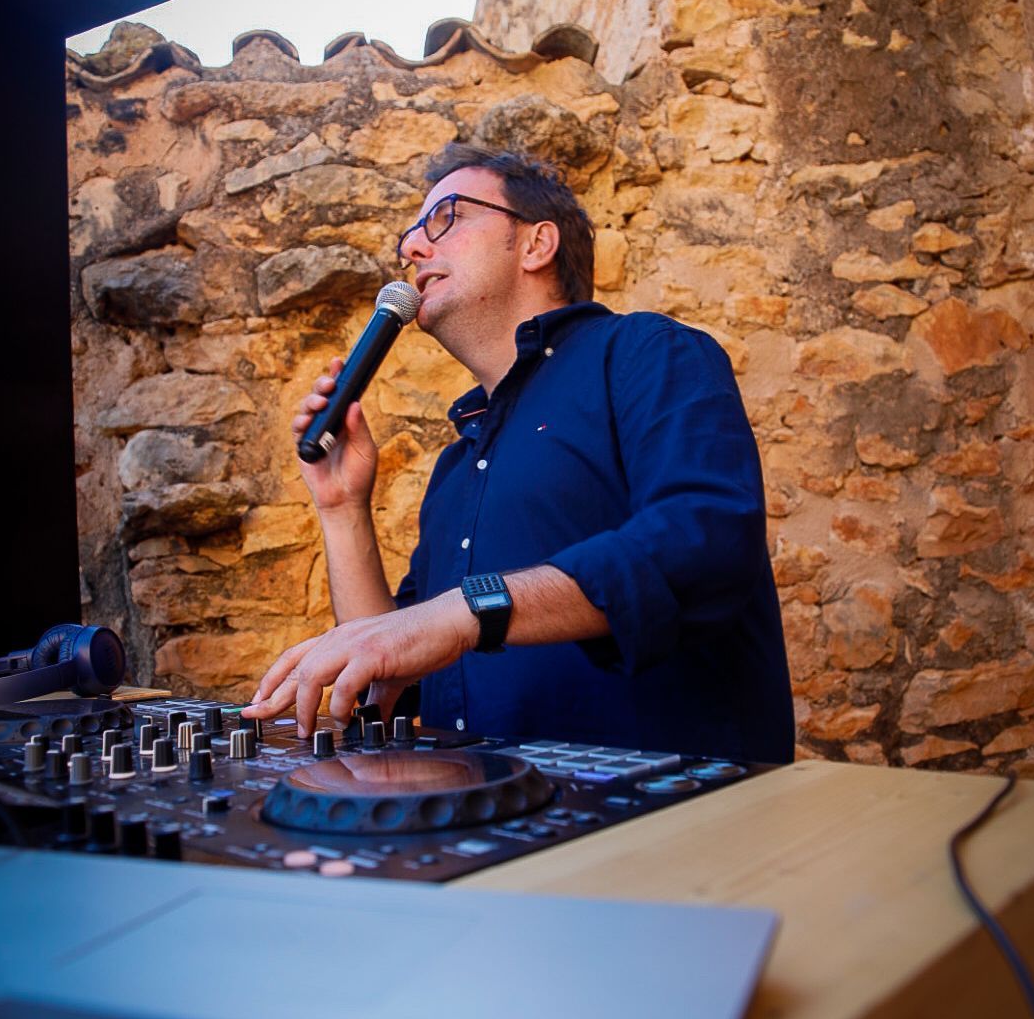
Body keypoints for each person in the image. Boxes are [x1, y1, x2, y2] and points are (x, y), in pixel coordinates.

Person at [245, 144, 794, 763]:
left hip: (667, 828)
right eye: (412, 234)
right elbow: (393, 675)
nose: (414, 250)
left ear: (536, 244)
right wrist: (342, 507)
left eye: (446, 217)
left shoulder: (649, 353)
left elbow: (706, 541)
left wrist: (466, 610)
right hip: (495, 834)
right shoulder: (458, 464)